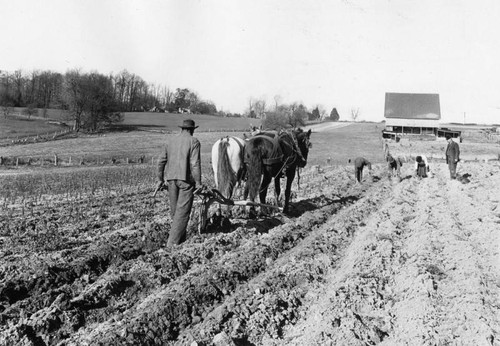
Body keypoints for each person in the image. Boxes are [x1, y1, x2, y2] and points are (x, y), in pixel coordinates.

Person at [157, 119, 202, 247]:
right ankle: (171, 246)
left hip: (171, 180)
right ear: (192, 130)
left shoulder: (170, 141)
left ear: (182, 128)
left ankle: (180, 243)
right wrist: (198, 182)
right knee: (182, 214)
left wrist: (160, 179)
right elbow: (195, 164)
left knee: (175, 213)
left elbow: (160, 161)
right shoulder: (194, 141)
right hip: (185, 182)